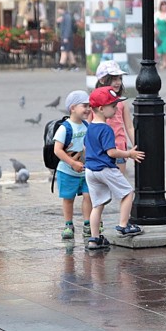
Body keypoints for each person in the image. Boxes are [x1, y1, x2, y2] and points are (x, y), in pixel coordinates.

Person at [84, 86, 145, 250]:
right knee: (127, 193)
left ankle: (94, 239)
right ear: (102, 109)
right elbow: (111, 152)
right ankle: (124, 225)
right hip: (105, 169)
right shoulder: (106, 129)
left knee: (97, 205)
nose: (116, 107)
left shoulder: (89, 128)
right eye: (113, 105)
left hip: (90, 171)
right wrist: (129, 154)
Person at [54, 90, 94, 240]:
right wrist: (72, 163)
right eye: (84, 105)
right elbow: (57, 150)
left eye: (89, 106)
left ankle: (88, 223)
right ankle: (68, 224)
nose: (88, 109)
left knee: (88, 196)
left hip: (85, 170)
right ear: (72, 108)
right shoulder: (65, 128)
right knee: (68, 198)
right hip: (67, 171)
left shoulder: (87, 125)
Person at [90, 60, 135, 176]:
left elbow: (129, 126)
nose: (118, 82)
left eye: (120, 78)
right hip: (99, 151)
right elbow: (88, 125)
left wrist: (136, 144)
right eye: (114, 79)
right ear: (102, 80)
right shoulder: (94, 101)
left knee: (118, 185)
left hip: (119, 149)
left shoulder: (121, 102)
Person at [55, 6, 79, 72]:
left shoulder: (66, 16)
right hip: (68, 36)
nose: (58, 11)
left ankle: (60, 66)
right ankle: (74, 66)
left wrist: (65, 37)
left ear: (62, 9)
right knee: (69, 52)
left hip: (66, 37)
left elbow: (67, 27)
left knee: (64, 51)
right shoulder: (65, 16)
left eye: (58, 9)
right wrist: (58, 22)